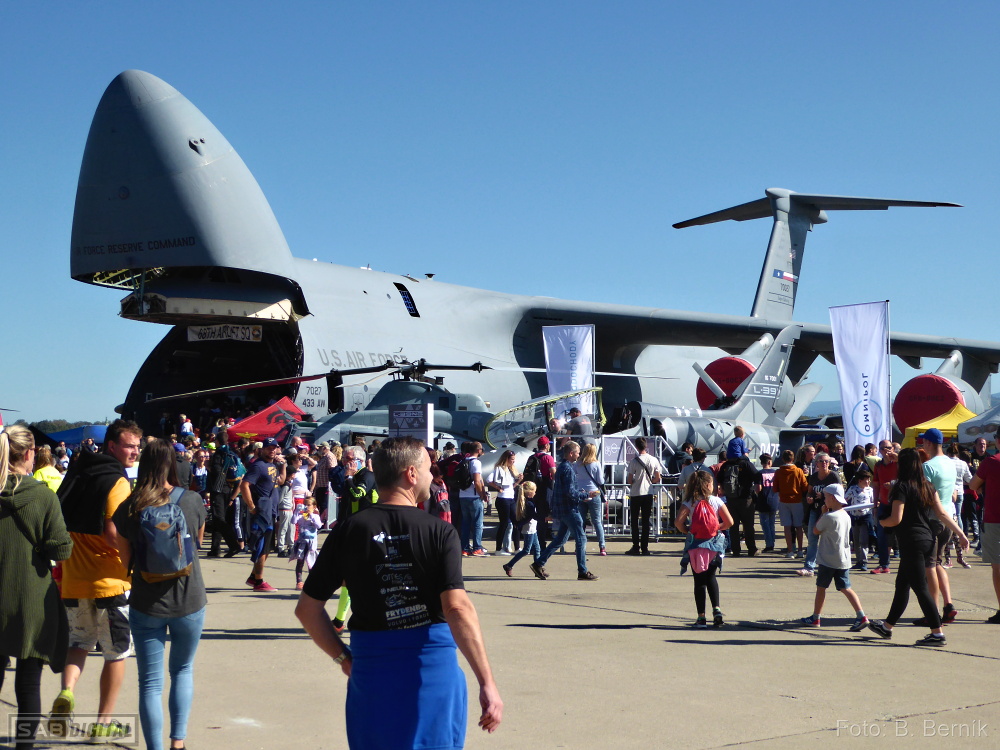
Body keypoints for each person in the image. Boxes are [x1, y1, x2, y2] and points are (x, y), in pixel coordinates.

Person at [296, 436, 503, 749]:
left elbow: (307, 610)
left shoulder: (349, 530)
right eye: (429, 469)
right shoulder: (440, 531)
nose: (433, 475)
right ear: (411, 473)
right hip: (430, 670)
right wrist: (487, 682)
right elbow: (457, 608)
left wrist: (343, 658)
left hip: (372, 671)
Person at [111, 439, 206, 750]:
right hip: (189, 600)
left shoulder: (129, 507)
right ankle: (178, 742)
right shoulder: (191, 499)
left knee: (150, 683)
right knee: (182, 670)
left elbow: (125, 561)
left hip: (146, 603)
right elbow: (197, 545)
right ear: (172, 464)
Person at [52, 419, 143, 741]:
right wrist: (133, 559)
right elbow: (112, 531)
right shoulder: (117, 481)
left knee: (78, 643)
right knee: (117, 652)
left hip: (74, 578)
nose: (135, 451)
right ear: (112, 446)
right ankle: (103, 721)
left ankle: (66, 691)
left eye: (137, 446)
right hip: (110, 581)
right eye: (129, 445)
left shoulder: (78, 473)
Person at [0, 424, 74, 749]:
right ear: (30, 453)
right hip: (32, 597)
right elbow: (61, 548)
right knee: (29, 684)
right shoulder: (43, 496)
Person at [866, 448, 969, 646]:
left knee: (921, 589)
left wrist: (882, 522)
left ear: (902, 466)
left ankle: (937, 633)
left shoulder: (901, 487)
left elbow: (896, 518)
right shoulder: (927, 486)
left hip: (911, 541)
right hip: (928, 539)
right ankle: (887, 627)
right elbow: (942, 513)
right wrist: (961, 533)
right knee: (902, 585)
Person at [799, 483, 869, 631]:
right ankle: (861, 615)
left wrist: (823, 513)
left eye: (826, 497)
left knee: (821, 588)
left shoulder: (828, 516)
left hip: (828, 559)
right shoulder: (846, 515)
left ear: (832, 498)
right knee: (846, 588)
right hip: (843, 558)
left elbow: (816, 530)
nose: (824, 500)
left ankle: (816, 617)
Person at [529, 442, 599, 580]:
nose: (579, 454)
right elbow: (570, 492)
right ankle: (582, 571)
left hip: (563, 508)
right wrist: (586, 495)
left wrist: (581, 493)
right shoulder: (567, 469)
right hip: (569, 509)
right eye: (577, 452)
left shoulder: (562, 467)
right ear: (571, 453)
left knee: (560, 539)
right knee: (581, 538)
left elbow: (567, 490)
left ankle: (538, 563)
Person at [675, 470, 733, 628]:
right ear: (708, 485)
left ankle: (701, 618)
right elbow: (729, 522)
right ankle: (717, 611)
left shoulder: (690, 502)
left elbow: (678, 522)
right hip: (714, 545)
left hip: (696, 546)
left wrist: (689, 531)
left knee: (699, 581)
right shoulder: (716, 500)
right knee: (711, 577)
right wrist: (716, 528)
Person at [918, 428, 959, 623]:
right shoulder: (951, 463)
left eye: (923, 442)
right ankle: (948, 604)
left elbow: (923, 496)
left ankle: (932, 613)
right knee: (938, 563)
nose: (922, 445)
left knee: (929, 567)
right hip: (948, 518)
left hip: (932, 519)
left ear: (929, 443)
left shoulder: (927, 466)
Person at [241, 437, 286, 592]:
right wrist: (251, 506)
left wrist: (283, 465)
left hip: (271, 511)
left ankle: (253, 576)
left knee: (267, 547)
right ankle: (259, 581)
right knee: (262, 547)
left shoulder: (272, 465)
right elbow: (244, 485)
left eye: (274, 448)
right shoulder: (258, 466)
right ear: (262, 449)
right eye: (269, 448)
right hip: (262, 513)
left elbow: (280, 481)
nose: (272, 450)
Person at [967, 429, 1000, 623]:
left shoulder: (991, 462)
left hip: (995, 519)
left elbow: (972, 485)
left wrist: (983, 486)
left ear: (997, 441)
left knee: (998, 568)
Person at [797, 453, 840, 576]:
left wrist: (825, 496)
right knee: (812, 539)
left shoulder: (833, 476)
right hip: (815, 510)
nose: (824, 463)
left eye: (826, 461)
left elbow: (840, 494)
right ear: (816, 463)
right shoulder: (814, 477)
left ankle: (832, 565)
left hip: (830, 512)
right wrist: (809, 498)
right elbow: (809, 492)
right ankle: (809, 567)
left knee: (830, 540)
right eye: (821, 461)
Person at [716, 443, 761, 557]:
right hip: (746, 499)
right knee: (748, 525)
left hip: (731, 499)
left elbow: (719, 478)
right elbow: (757, 475)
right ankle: (751, 549)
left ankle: (736, 550)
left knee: (733, 526)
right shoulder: (746, 463)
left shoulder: (726, 465)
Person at [625, 437, 665, 555]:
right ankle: (645, 547)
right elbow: (658, 477)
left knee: (634, 521)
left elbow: (629, 480)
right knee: (646, 520)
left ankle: (635, 546)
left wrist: (635, 481)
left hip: (636, 493)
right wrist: (650, 482)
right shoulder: (653, 460)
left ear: (636, 447)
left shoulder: (634, 461)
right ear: (646, 446)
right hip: (648, 493)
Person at [502, 482, 544, 577]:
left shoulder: (526, 501)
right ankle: (509, 565)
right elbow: (531, 517)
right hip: (529, 529)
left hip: (532, 528)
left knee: (537, 549)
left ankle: (538, 568)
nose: (535, 493)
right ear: (529, 492)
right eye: (534, 491)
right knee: (526, 550)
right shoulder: (529, 503)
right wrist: (544, 518)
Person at [871, 439, 899, 574]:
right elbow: (876, 485)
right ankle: (883, 564)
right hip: (884, 503)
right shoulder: (878, 465)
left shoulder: (899, 463)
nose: (886, 450)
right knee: (882, 535)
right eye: (883, 448)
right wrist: (875, 504)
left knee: (901, 534)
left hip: (898, 503)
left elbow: (908, 478)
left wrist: (893, 484)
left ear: (893, 448)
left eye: (888, 447)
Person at [774, 450, 808, 558]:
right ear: (793, 459)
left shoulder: (778, 472)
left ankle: (790, 551)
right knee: (799, 526)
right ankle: (800, 550)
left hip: (784, 501)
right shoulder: (798, 471)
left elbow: (775, 488)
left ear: (783, 459)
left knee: (787, 527)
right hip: (797, 500)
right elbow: (805, 487)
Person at [459, 441, 490, 557]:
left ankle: (465, 548)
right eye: (481, 449)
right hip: (474, 497)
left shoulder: (463, 461)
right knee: (477, 523)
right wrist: (482, 494)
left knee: (465, 523)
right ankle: (477, 548)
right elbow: (477, 481)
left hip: (463, 495)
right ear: (478, 450)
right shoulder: (476, 462)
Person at [486, 450, 520, 555]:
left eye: (514, 459)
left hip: (510, 498)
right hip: (503, 499)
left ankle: (517, 547)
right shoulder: (499, 468)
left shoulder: (511, 470)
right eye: (512, 459)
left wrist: (519, 481)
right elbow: (489, 479)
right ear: (506, 459)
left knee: (516, 523)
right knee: (504, 524)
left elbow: (511, 487)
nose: (513, 461)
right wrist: (497, 488)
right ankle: (498, 549)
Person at [576, 443, 606, 556]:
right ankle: (602, 547)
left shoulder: (578, 463)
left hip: (581, 493)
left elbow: (574, 476)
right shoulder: (596, 463)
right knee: (597, 521)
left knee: (581, 521)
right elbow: (601, 481)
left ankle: (580, 547)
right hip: (594, 493)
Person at [845, 469, 875, 572]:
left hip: (866, 517)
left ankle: (864, 561)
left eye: (869, 479)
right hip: (854, 517)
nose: (868, 482)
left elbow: (873, 501)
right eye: (866, 480)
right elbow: (845, 499)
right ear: (860, 480)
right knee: (856, 540)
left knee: (864, 540)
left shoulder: (870, 490)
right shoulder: (853, 489)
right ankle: (858, 561)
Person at [291, 497, 323, 591]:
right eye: (305, 504)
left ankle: (311, 582)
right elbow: (293, 521)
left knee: (311, 564)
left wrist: (311, 514)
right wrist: (296, 511)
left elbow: (318, 525)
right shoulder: (301, 516)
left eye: (309, 505)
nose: (306, 507)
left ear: (314, 506)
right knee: (300, 562)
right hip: (301, 543)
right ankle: (299, 582)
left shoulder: (315, 516)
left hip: (311, 544)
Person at [756, 454, 779, 553]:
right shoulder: (775, 473)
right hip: (774, 500)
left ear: (761, 462)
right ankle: (772, 542)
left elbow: (758, 489)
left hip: (763, 501)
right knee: (772, 523)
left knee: (765, 524)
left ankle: (769, 544)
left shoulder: (759, 473)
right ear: (769, 462)